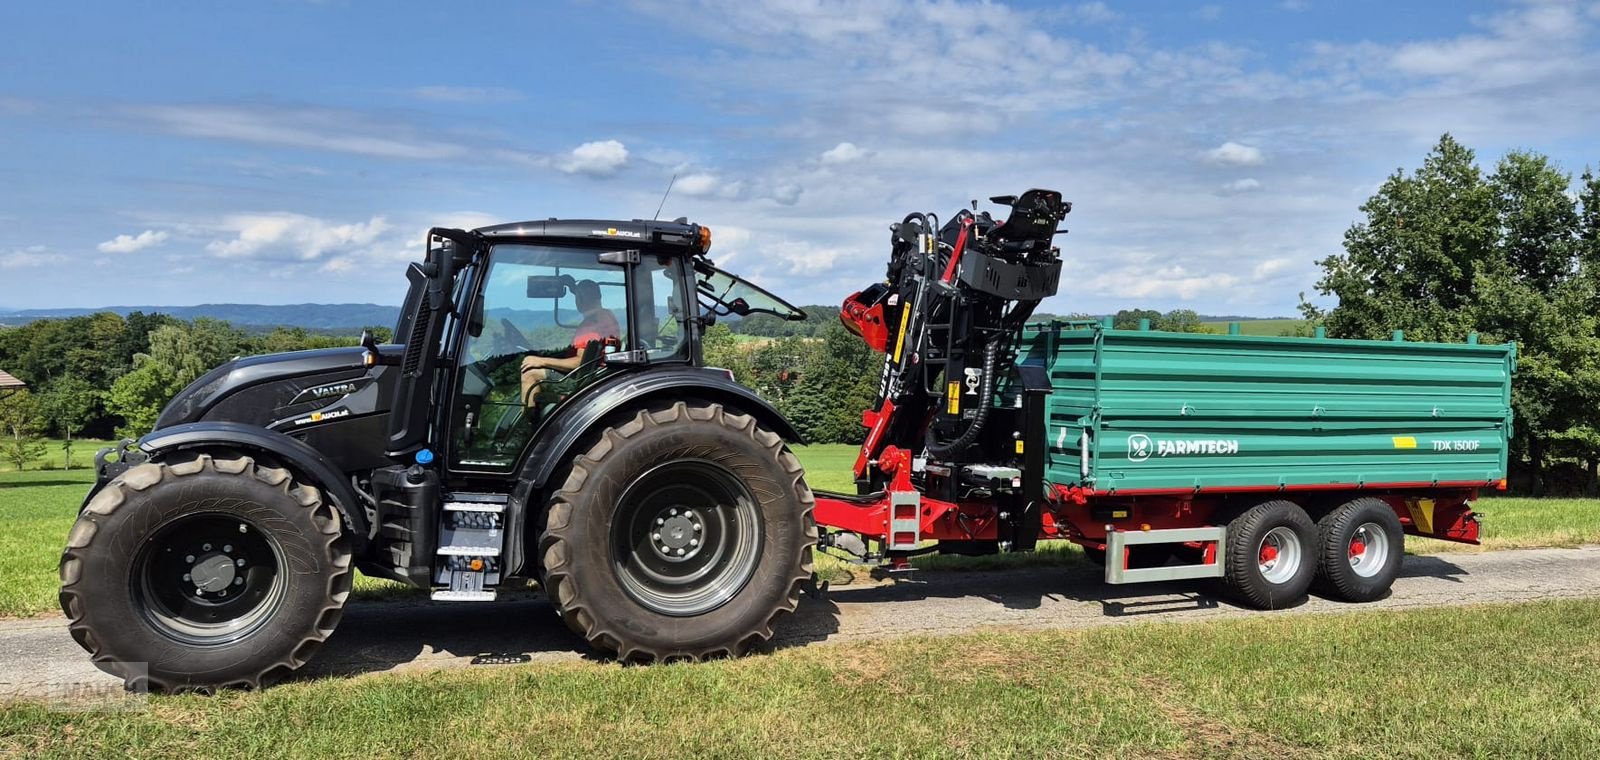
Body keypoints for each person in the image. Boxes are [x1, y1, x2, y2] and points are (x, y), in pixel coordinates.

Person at [520, 279, 620, 406]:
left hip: (582, 380)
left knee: (530, 373)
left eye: (578, 297)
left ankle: (528, 418)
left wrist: (541, 361)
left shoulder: (589, 327)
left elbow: (579, 362)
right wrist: (572, 286)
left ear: (581, 299)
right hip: (597, 374)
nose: (576, 300)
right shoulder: (607, 315)